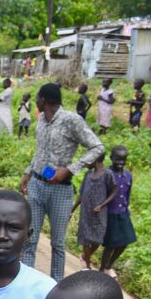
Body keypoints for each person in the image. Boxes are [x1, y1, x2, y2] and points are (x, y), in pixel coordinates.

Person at [20, 83, 104, 280]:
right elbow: (40, 150)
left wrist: (69, 169)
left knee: (57, 243)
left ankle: (56, 284)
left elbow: (97, 147)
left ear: (45, 100)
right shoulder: (41, 119)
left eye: (38, 98)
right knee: (29, 238)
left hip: (59, 190)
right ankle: (26, 281)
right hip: (37, 184)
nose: (36, 101)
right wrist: (28, 172)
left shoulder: (71, 120)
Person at [70, 151, 115, 270]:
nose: (86, 163)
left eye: (88, 160)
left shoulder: (107, 174)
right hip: (85, 210)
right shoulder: (88, 174)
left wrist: (102, 205)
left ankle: (85, 256)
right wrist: (72, 209)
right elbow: (81, 194)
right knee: (85, 238)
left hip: (100, 212)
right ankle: (88, 267)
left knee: (99, 238)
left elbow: (114, 192)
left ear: (96, 160)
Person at [99, 145, 136, 278]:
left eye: (123, 160)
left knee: (125, 240)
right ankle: (102, 269)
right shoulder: (106, 174)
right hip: (109, 213)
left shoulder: (128, 175)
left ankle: (109, 266)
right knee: (110, 244)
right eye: (117, 159)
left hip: (122, 212)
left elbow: (127, 193)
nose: (120, 163)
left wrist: (127, 207)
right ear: (111, 158)